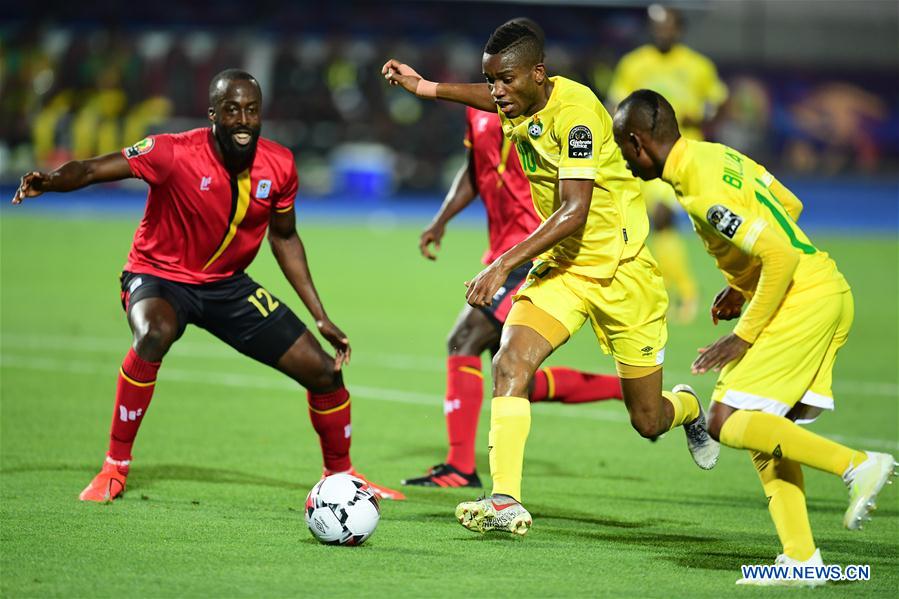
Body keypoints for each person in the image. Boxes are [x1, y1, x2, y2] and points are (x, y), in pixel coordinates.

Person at [382, 19, 718, 536]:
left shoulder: (577, 117)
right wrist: (426, 87)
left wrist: (502, 264)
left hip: (622, 273)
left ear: (538, 74)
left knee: (647, 420)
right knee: (510, 361)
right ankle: (505, 500)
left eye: (506, 81)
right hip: (563, 269)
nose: (497, 92)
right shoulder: (521, 97)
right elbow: (487, 95)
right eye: (491, 80)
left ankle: (690, 406)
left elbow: (574, 211)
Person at [11, 69, 405, 502]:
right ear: (213, 113)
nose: (243, 120)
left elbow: (285, 237)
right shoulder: (172, 152)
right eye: (232, 110)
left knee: (324, 372)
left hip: (227, 287)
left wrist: (321, 316)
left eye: (251, 111)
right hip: (158, 276)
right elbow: (90, 169)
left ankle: (343, 477)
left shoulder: (280, 165)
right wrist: (50, 181)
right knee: (153, 333)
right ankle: (114, 467)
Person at [612, 89, 896, 585]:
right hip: (822, 289)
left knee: (726, 419)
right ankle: (800, 557)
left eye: (622, 148)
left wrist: (742, 336)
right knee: (766, 427)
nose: (624, 160)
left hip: (801, 297)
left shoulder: (698, 189)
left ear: (637, 143)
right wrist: (741, 285)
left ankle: (858, 465)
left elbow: (781, 255)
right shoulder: (712, 154)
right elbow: (789, 204)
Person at [402, 103, 623, 489]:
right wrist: (441, 219)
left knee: (464, 339)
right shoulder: (479, 110)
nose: (499, 85)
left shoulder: (550, 113)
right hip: (500, 252)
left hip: (532, 251)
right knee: (514, 375)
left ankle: (459, 467)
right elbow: (476, 169)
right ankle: (624, 389)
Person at [607, 5, 728, 323]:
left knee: (662, 218)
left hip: (679, 152)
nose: (663, 32)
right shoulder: (634, 63)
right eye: (657, 27)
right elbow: (616, 103)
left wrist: (703, 116)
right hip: (640, 154)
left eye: (668, 27)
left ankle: (686, 292)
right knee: (637, 226)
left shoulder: (697, 66)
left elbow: (717, 102)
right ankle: (658, 293)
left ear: (679, 29)